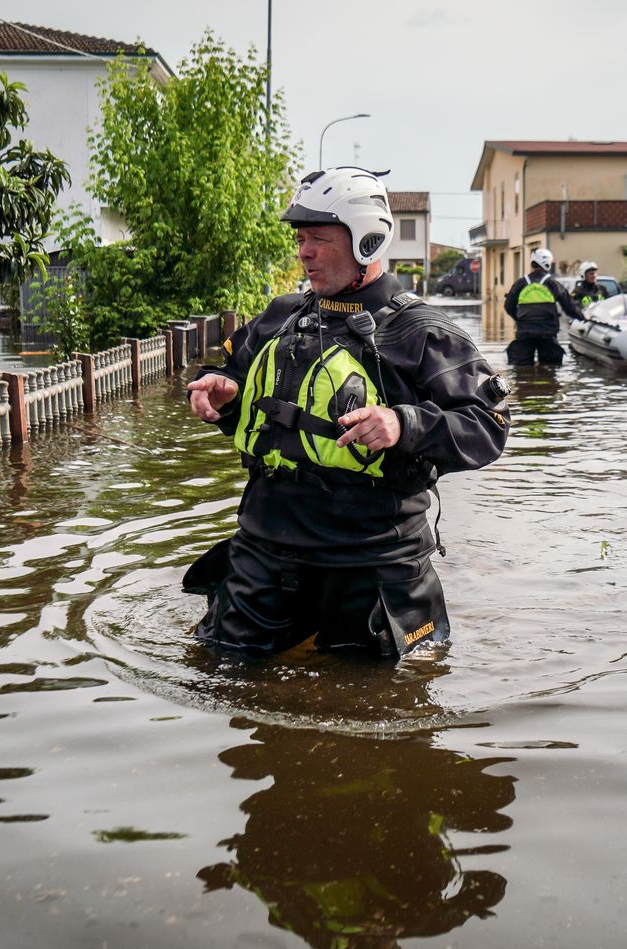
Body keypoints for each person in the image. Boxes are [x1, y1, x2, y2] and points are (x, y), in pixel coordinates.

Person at [183, 166, 510, 659]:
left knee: (381, 708)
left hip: (371, 560)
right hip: (267, 550)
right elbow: (235, 378)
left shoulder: (421, 332)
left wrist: (405, 423)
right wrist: (220, 389)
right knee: (219, 673)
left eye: (319, 238)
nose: (304, 251)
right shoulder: (281, 316)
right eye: (301, 238)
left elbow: (487, 426)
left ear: (367, 241)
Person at [502, 247, 582, 365]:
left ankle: (524, 383)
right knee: (550, 368)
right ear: (548, 263)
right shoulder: (553, 284)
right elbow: (569, 307)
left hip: (525, 332)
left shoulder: (521, 283)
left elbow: (508, 306)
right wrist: (583, 317)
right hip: (547, 333)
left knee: (522, 370)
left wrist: (519, 318)